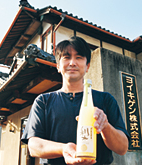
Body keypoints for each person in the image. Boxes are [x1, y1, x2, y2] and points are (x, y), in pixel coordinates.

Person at [21, 36, 129, 164]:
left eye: (79, 57)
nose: (72, 63)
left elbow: (122, 148)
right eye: (66, 58)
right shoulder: (43, 101)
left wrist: (105, 125)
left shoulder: (105, 99)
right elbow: (33, 146)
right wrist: (64, 149)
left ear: (87, 66)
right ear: (58, 66)